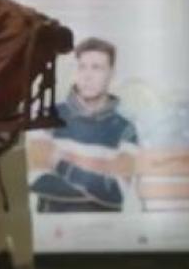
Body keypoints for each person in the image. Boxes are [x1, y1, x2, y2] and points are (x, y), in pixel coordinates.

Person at [30, 37, 139, 214]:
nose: (87, 76)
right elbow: (37, 181)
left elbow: (116, 193)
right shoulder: (47, 117)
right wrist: (99, 179)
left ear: (111, 73)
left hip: (104, 232)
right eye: (82, 67)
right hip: (54, 231)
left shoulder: (127, 130)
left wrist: (60, 163)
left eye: (96, 68)